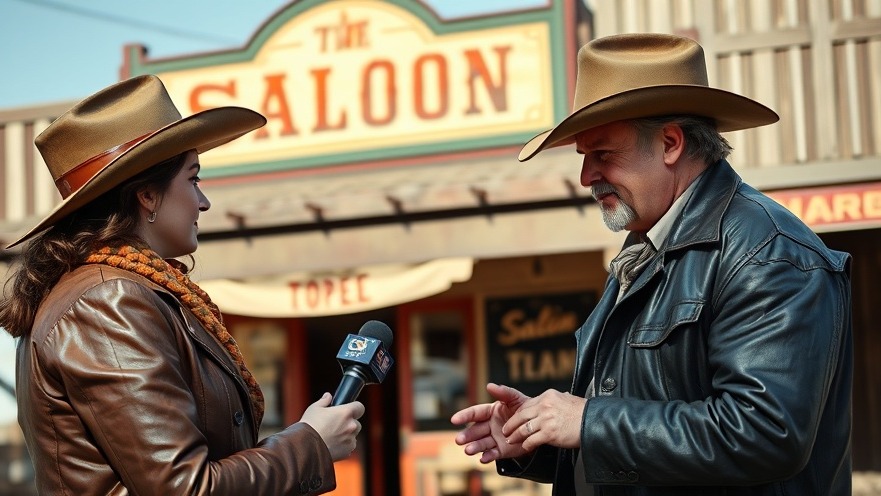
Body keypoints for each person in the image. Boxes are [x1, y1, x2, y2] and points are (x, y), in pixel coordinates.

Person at [451, 33, 852, 495]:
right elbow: (651, 441)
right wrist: (536, 437)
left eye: (602, 154)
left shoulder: (767, 251)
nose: (586, 177)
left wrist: (588, 420)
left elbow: (765, 433)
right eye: (584, 158)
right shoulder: (645, 252)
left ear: (669, 143)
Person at [0, 75, 365, 495]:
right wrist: (310, 444)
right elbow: (184, 488)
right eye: (193, 179)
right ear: (147, 196)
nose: (203, 201)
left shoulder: (115, 290)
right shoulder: (108, 300)